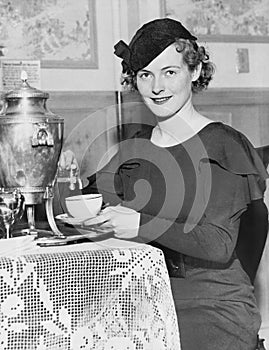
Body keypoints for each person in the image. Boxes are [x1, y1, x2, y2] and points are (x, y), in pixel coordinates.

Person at [59, 18, 269, 350]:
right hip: (143, 306)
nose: (157, 87)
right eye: (145, 74)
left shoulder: (223, 143)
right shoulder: (131, 151)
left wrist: (139, 224)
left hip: (212, 315)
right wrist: (61, 183)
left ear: (195, 71)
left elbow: (217, 244)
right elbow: (82, 211)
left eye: (169, 72)